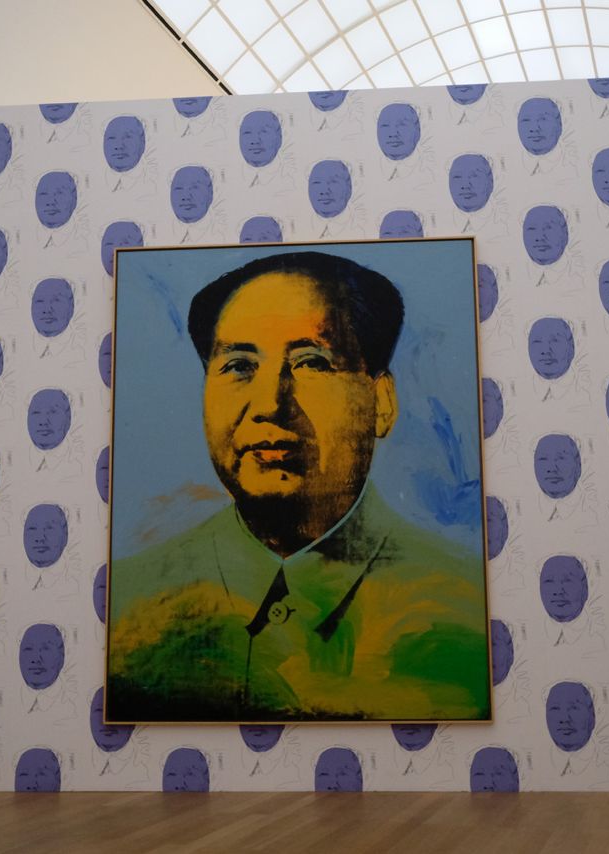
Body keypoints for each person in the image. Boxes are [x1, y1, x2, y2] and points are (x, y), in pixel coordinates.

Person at [107, 251, 489, 722]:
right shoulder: (124, 611)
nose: (270, 404)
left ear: (382, 403)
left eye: (311, 363)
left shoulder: (469, 614)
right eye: (239, 366)